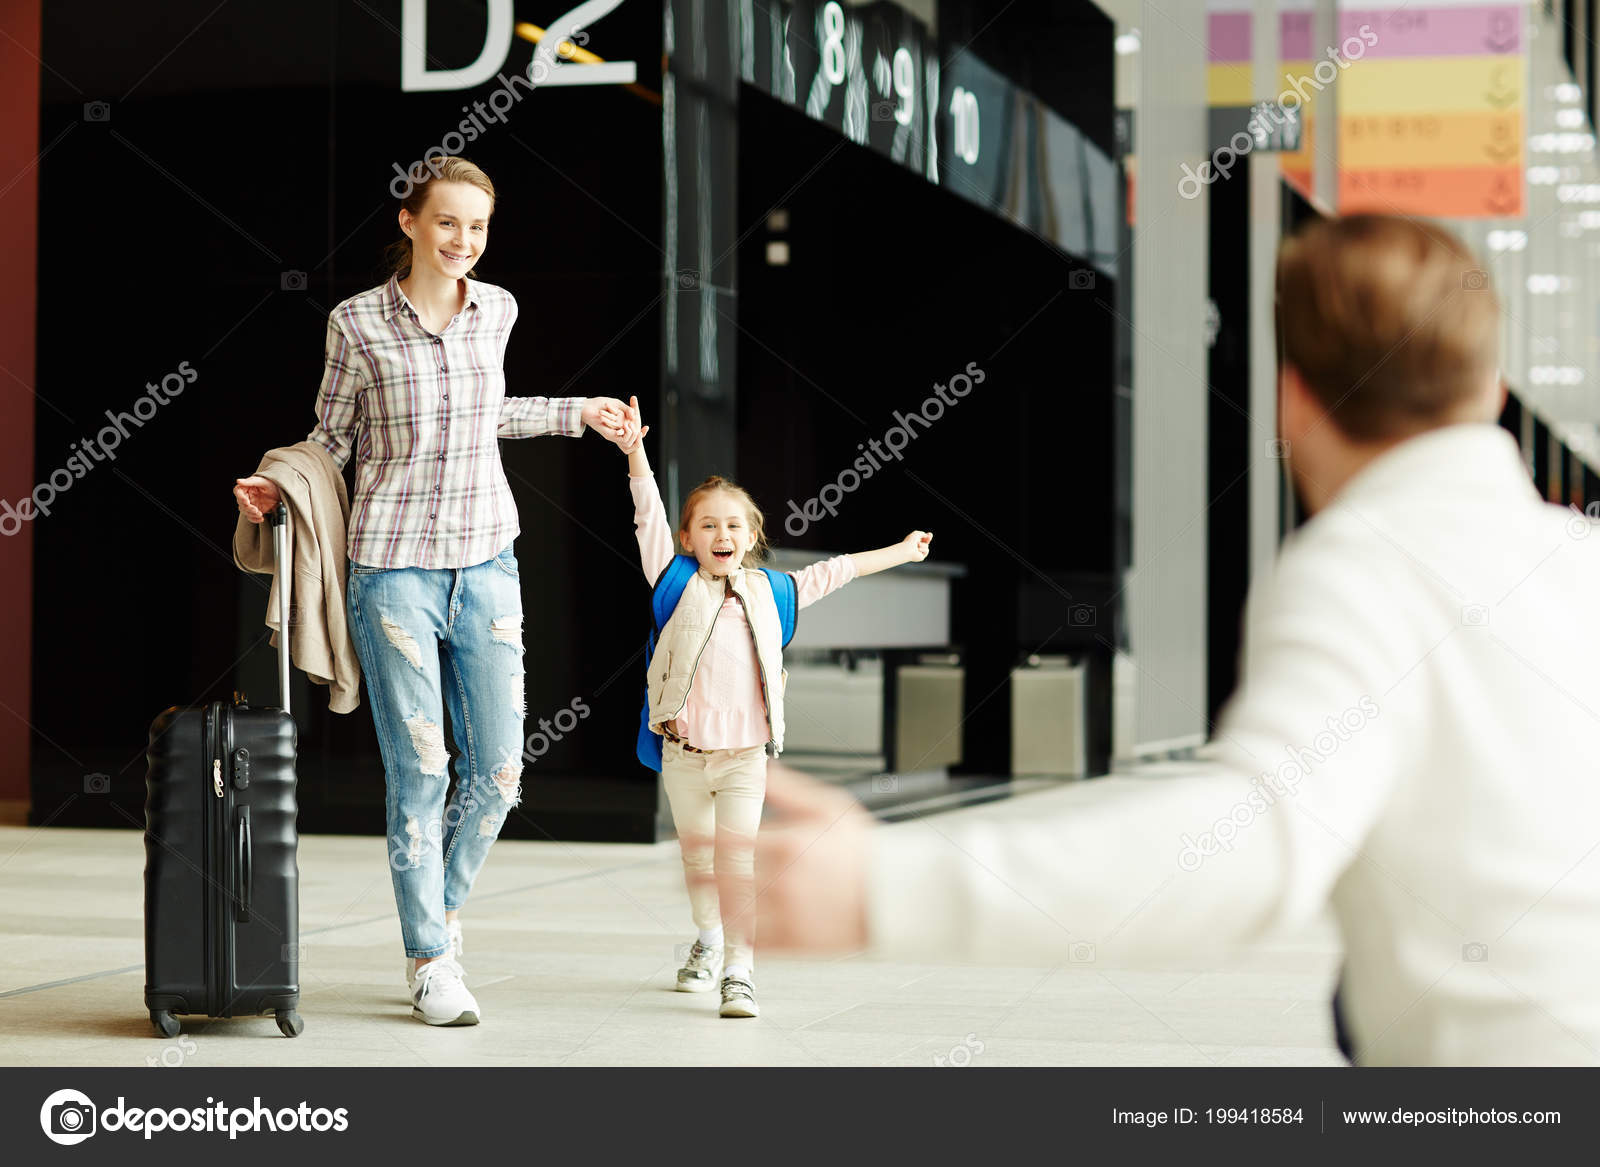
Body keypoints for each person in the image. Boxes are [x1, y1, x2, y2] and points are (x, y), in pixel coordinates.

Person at [749, 215, 1600, 1065]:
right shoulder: (1581, 559)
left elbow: (1254, 842)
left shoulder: (1365, 564)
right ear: (1493, 388)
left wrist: (887, 887)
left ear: (1292, 399)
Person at [234, 156, 634, 1026]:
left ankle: (440, 913)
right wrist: (278, 484)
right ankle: (429, 958)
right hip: (393, 570)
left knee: (499, 771)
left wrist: (577, 411)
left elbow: (487, 412)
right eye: (447, 222)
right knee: (420, 769)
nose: (463, 240)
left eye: (478, 226)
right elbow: (331, 439)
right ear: (409, 222)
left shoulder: (499, 309)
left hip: (487, 561)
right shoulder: (356, 322)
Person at [619, 395, 931, 1018]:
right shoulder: (672, 582)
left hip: (745, 759)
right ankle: (708, 941)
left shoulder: (775, 590)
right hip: (684, 756)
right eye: (708, 525)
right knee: (698, 860)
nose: (722, 535)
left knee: (738, 862)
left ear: (753, 536)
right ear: (687, 538)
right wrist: (635, 453)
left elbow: (840, 570)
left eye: (735, 525)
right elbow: (646, 513)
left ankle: (740, 971)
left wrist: (901, 551)